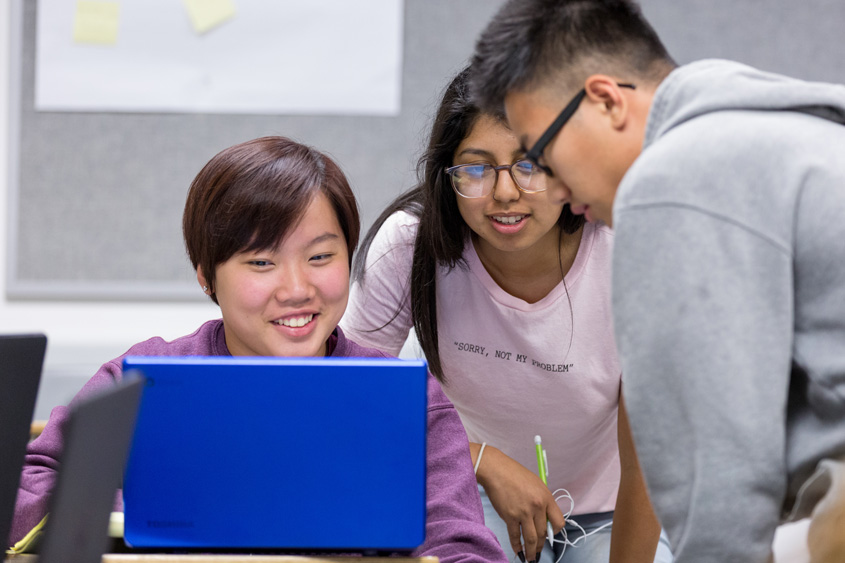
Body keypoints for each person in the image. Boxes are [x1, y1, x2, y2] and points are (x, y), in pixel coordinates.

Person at [10, 136, 508, 563]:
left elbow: (463, 545)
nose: (296, 288)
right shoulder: (143, 381)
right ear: (206, 276)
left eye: (320, 256)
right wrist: (142, 503)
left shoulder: (407, 400)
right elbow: (28, 489)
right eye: (261, 262)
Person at [468, 1, 845, 561]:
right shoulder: (776, 128)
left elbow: (721, 468)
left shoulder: (671, 181)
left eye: (542, 155)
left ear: (606, 99)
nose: (555, 189)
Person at [340, 68, 672, 563]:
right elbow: (352, 404)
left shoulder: (631, 254)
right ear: (446, 176)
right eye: (476, 168)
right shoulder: (409, 247)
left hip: (611, 511)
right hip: (465, 497)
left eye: (531, 164)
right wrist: (479, 460)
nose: (505, 193)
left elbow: (649, 460)